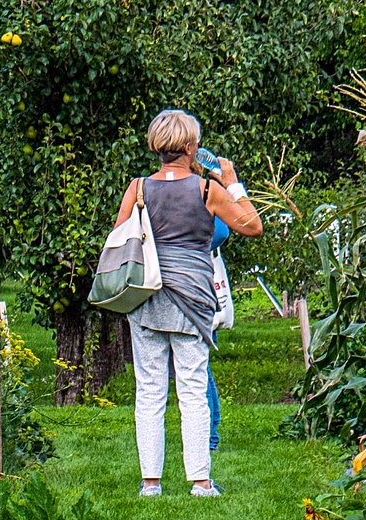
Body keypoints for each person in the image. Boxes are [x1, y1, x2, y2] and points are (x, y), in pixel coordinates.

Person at [111, 110, 259, 497]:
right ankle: (200, 481)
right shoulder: (206, 191)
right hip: (193, 299)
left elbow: (119, 239)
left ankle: (151, 483)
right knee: (192, 390)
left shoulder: (138, 188)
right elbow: (251, 225)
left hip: (145, 298)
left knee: (149, 390)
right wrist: (233, 183)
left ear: (156, 146)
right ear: (191, 148)